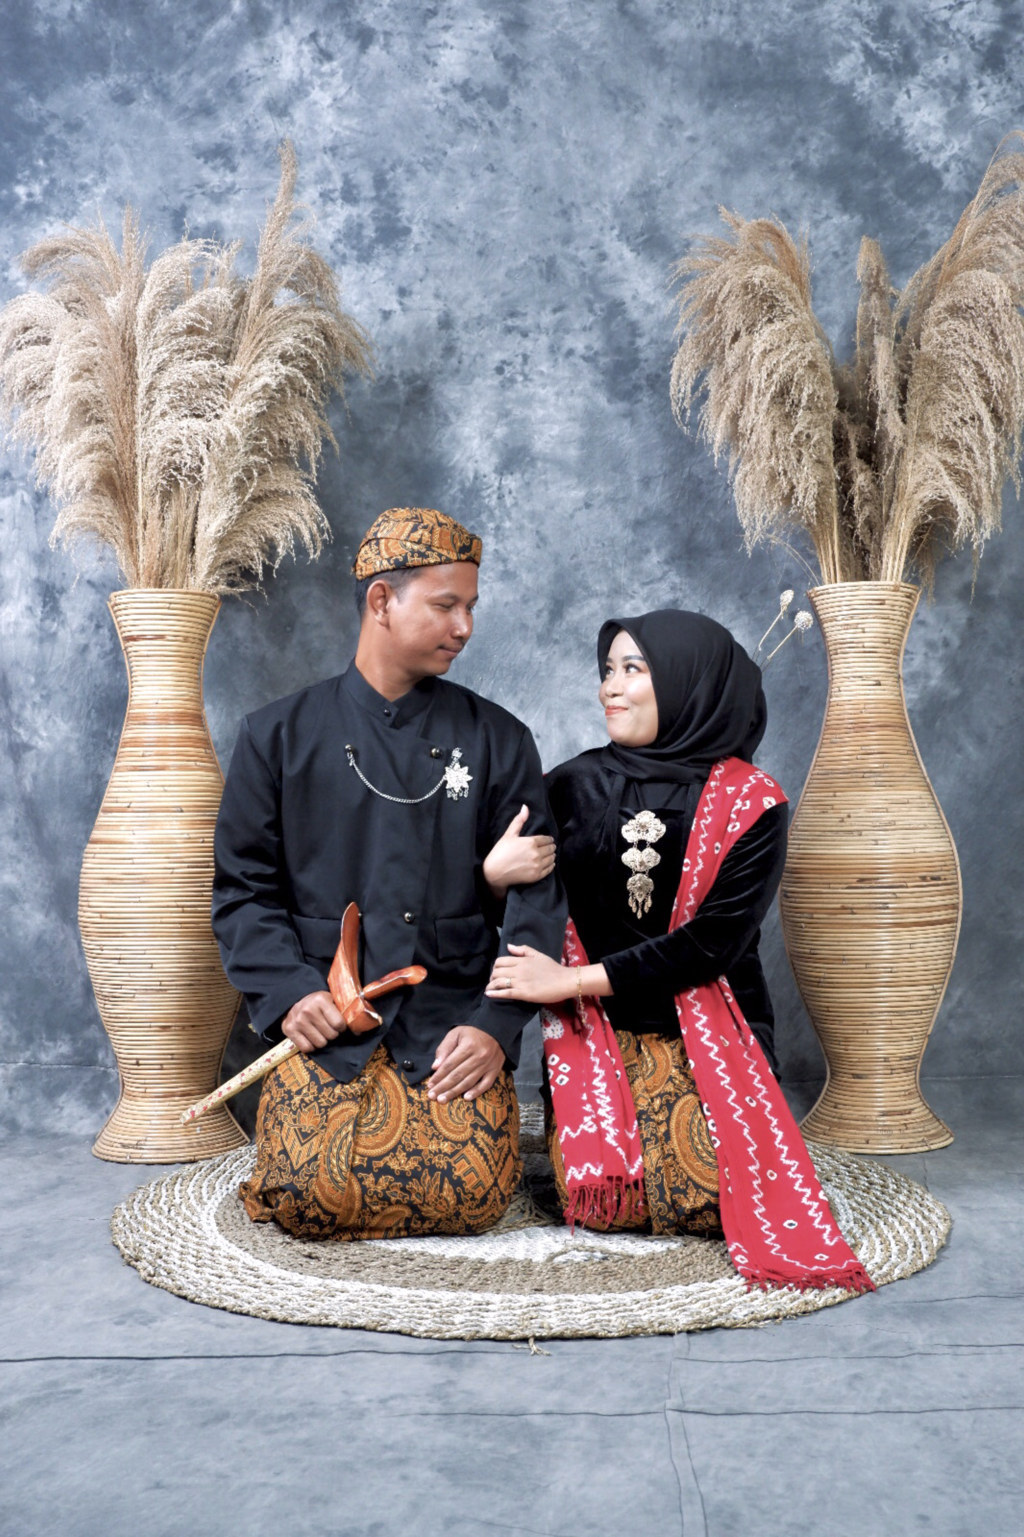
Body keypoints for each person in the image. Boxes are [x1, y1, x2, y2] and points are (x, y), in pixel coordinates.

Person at [486, 610, 873, 1294]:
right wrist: (492, 877)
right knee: (605, 1200)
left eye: (633, 669)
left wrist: (570, 979)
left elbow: (712, 944)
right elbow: (521, 911)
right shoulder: (568, 787)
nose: (610, 687)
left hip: (711, 1027)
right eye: (608, 670)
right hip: (596, 1032)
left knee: (705, 1190)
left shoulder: (751, 802)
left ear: (689, 684)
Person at [212, 507, 566, 1242]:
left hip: (449, 1020)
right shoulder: (276, 737)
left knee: (472, 1194)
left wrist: (494, 1028)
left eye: (471, 606)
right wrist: (290, 993)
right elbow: (243, 892)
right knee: (304, 1193)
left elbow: (537, 907)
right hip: (329, 1022)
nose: (465, 626)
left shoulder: (499, 740)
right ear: (381, 601)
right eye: (446, 605)